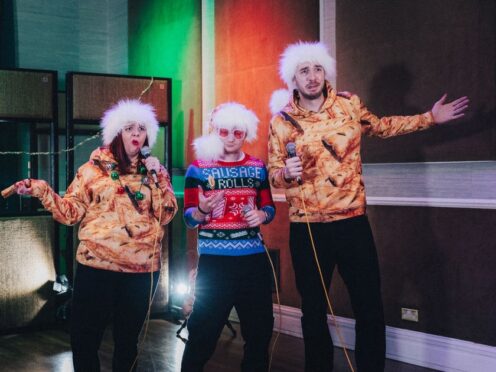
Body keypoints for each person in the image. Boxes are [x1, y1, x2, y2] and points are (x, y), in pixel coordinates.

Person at [267, 41, 469, 372]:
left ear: (325, 72)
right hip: (308, 228)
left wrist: (430, 118)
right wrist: (284, 173)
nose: (313, 76)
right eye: (304, 70)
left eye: (318, 69)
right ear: (293, 77)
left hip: (352, 223)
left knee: (370, 307)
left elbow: (382, 126)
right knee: (314, 310)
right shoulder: (282, 122)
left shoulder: (349, 106)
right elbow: (274, 176)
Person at [15, 99, 178, 372]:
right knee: (84, 340)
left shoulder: (154, 173)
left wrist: (158, 176)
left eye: (141, 128)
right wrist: (42, 190)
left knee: (128, 342)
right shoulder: (92, 170)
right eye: (129, 128)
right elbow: (69, 214)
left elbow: (168, 214)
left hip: (141, 271)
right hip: (97, 268)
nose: (136, 133)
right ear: (117, 133)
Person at [181, 102, 276, 372]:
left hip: (254, 262)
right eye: (224, 132)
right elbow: (189, 219)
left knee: (259, 334)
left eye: (238, 133)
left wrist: (262, 216)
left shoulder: (258, 168)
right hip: (215, 264)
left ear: (246, 134)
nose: (231, 138)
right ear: (215, 132)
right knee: (202, 333)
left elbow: (269, 207)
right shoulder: (198, 170)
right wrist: (202, 210)